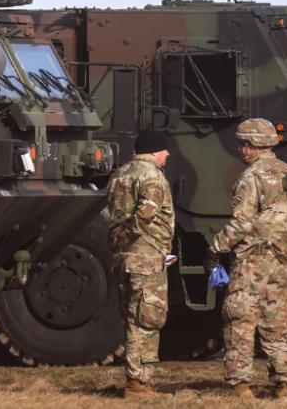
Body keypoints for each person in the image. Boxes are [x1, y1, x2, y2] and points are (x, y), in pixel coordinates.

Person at [205, 118, 287, 399]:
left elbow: (241, 223)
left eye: (242, 144)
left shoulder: (251, 178)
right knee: (277, 322)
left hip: (251, 263)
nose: (240, 150)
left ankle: (241, 385)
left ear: (252, 146)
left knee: (240, 320)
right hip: (281, 261)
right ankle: (283, 383)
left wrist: (215, 249)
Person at [106, 129, 174, 397]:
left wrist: (119, 238)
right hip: (144, 254)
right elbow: (146, 211)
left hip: (122, 256)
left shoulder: (119, 174)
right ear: (155, 150)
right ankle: (138, 382)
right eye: (165, 150)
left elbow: (109, 212)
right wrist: (131, 233)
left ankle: (137, 379)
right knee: (147, 318)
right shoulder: (152, 176)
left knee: (132, 317)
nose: (168, 154)